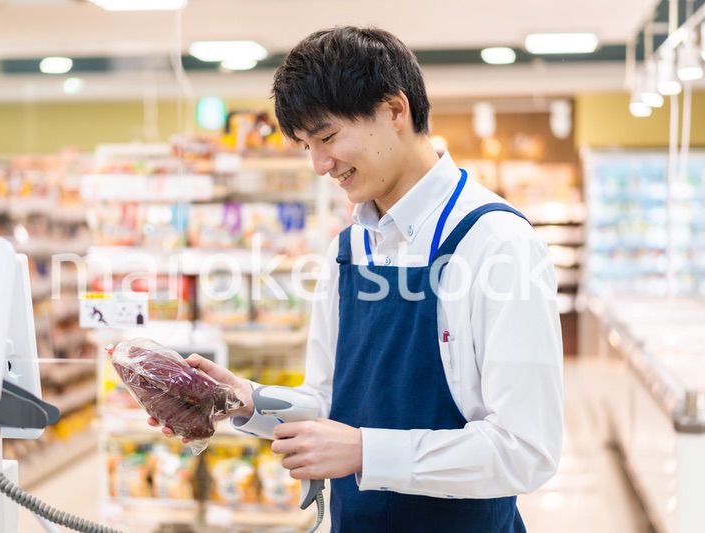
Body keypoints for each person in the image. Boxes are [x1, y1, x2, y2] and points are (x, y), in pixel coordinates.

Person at [150, 26, 563, 532]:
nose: (320, 165)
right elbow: (329, 403)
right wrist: (244, 400)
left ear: (394, 110)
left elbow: (526, 450)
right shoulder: (348, 249)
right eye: (307, 146)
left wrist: (366, 451)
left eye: (327, 137)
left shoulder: (497, 244)